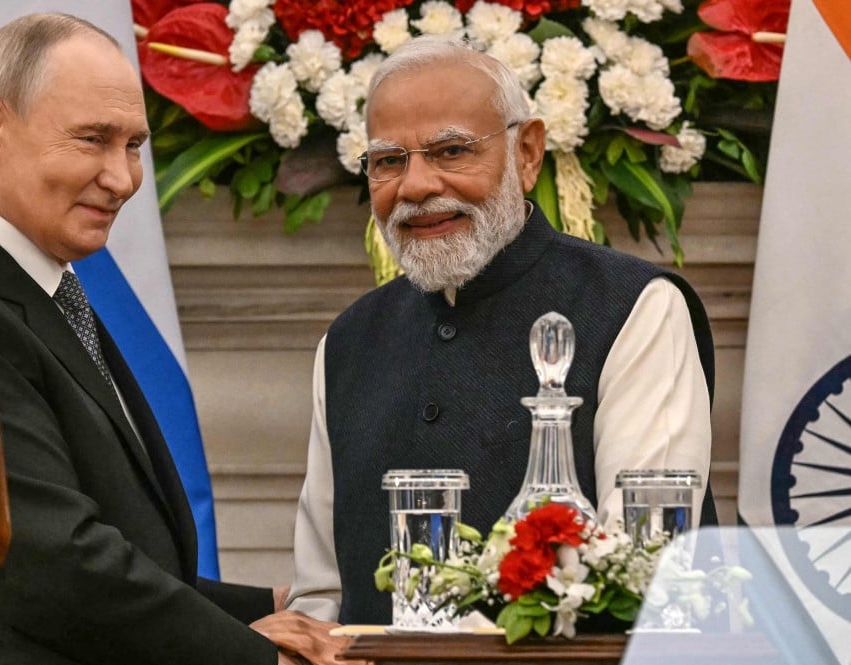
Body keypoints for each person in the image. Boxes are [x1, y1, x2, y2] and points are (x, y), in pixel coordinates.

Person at [0, 13, 372, 665]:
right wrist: (263, 664)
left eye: (133, 145)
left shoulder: (34, 286)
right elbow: (55, 563)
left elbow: (115, 547)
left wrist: (273, 611)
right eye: (93, 140)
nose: (124, 179)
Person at [286, 35, 718, 625]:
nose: (414, 187)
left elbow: (644, 575)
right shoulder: (348, 342)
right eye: (389, 161)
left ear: (528, 153)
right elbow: (319, 596)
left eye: (450, 151)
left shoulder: (635, 308)